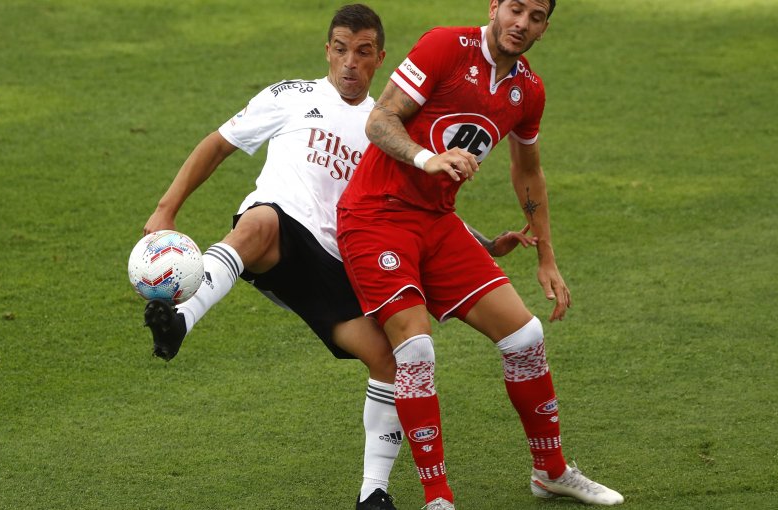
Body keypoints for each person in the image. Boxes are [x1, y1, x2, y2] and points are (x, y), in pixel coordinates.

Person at [139, 5, 532, 509]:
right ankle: (179, 320)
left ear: (380, 60)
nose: (350, 62)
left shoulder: (386, 129)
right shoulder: (291, 97)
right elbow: (218, 145)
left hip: (338, 265)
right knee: (259, 222)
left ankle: (374, 493)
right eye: (341, 49)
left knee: (391, 360)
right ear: (327, 50)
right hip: (280, 238)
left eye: (363, 53)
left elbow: (412, 210)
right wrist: (165, 209)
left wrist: (481, 242)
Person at [335, 1, 624, 508]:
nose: (522, 24)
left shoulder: (527, 89)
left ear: (545, 27)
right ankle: (438, 498)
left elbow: (528, 170)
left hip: (437, 223)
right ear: (494, 6)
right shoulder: (446, 45)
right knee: (417, 350)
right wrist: (430, 158)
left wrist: (547, 257)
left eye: (535, 16)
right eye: (515, 9)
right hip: (375, 217)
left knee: (525, 335)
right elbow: (379, 120)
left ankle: (550, 471)